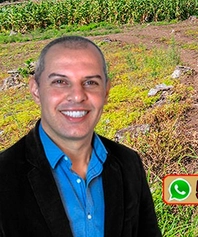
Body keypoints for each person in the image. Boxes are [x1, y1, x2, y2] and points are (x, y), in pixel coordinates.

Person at [0, 36, 162, 237]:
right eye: (60, 82)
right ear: (36, 90)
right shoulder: (4, 175)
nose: (77, 96)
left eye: (91, 82)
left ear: (106, 91)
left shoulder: (129, 163)